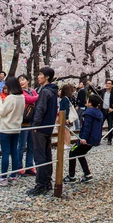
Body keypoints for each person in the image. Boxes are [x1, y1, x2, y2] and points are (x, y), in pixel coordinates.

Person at [27, 66, 59, 196]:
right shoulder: (53, 91)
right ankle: (47, 182)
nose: (38, 76)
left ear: (47, 77)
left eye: (40, 74)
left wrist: (35, 125)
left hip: (40, 127)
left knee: (40, 156)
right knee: (47, 155)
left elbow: (40, 109)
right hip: (48, 127)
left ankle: (40, 184)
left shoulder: (45, 92)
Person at [63, 94, 104, 183]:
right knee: (80, 154)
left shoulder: (88, 113)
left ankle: (71, 176)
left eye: (87, 100)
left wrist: (83, 138)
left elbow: (87, 127)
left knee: (73, 152)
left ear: (90, 103)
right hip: (94, 139)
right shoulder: (99, 113)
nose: (86, 101)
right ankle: (87, 174)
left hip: (86, 139)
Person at [0, 76, 24, 186]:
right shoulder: (22, 97)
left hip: (6, 128)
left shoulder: (10, 98)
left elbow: (2, 112)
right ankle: (14, 176)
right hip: (16, 128)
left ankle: (3, 177)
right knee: (14, 151)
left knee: (5, 152)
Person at [18, 74, 38, 176]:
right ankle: (19, 166)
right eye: (20, 80)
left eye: (23, 80)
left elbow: (35, 99)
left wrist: (36, 96)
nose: (21, 82)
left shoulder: (32, 91)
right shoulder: (20, 92)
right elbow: (29, 99)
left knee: (31, 145)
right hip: (23, 121)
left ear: (28, 81)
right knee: (21, 145)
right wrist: (38, 96)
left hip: (32, 121)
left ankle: (29, 166)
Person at [101, 79, 113, 146]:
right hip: (102, 110)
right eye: (106, 83)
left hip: (110, 112)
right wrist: (90, 84)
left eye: (109, 83)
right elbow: (95, 91)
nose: (107, 84)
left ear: (112, 85)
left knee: (110, 126)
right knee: (100, 125)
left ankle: (109, 139)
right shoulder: (103, 91)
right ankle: (98, 139)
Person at [58, 84, 74, 149]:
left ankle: (67, 144)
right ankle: (66, 143)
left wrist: (66, 118)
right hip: (64, 116)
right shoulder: (69, 98)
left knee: (66, 131)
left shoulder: (65, 99)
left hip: (65, 116)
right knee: (66, 131)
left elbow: (66, 108)